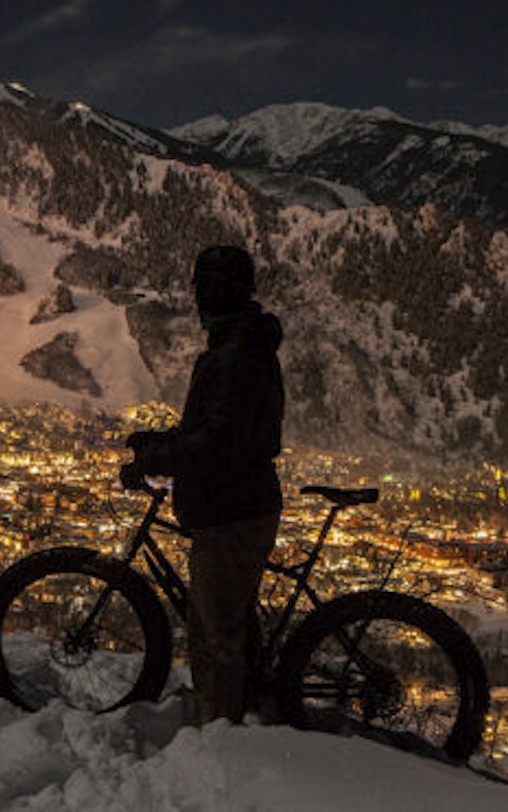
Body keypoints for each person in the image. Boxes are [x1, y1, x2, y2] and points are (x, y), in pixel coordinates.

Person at [120, 244, 284, 725]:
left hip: (230, 509)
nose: (199, 299)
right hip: (235, 502)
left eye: (206, 288)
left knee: (216, 636)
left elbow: (216, 443)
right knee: (226, 624)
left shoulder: (236, 355)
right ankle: (239, 712)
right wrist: (158, 442)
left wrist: (151, 461)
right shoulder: (241, 347)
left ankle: (220, 733)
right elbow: (212, 431)